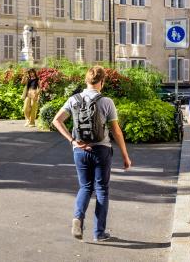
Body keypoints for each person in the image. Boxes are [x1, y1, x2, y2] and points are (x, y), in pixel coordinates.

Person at [52, 65, 132, 243]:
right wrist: (125, 156)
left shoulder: (73, 99)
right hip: (101, 150)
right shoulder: (106, 102)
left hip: (80, 150)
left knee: (85, 187)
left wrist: (73, 141)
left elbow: (56, 121)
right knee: (102, 190)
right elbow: (116, 131)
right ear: (101, 82)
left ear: (86, 81)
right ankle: (99, 233)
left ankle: (78, 218)